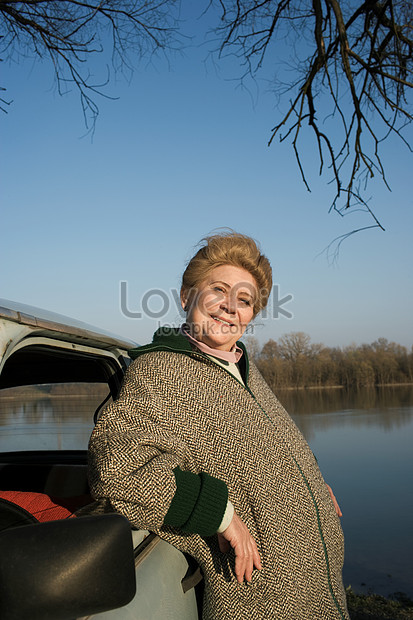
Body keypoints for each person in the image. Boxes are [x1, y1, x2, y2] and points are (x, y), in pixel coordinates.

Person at [88, 231, 350, 620]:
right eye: (218, 290)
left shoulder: (243, 366)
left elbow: (271, 441)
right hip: (260, 599)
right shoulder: (160, 371)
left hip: (319, 590)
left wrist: (310, 481)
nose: (230, 307)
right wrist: (220, 514)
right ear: (186, 296)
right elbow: (117, 470)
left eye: (244, 300)